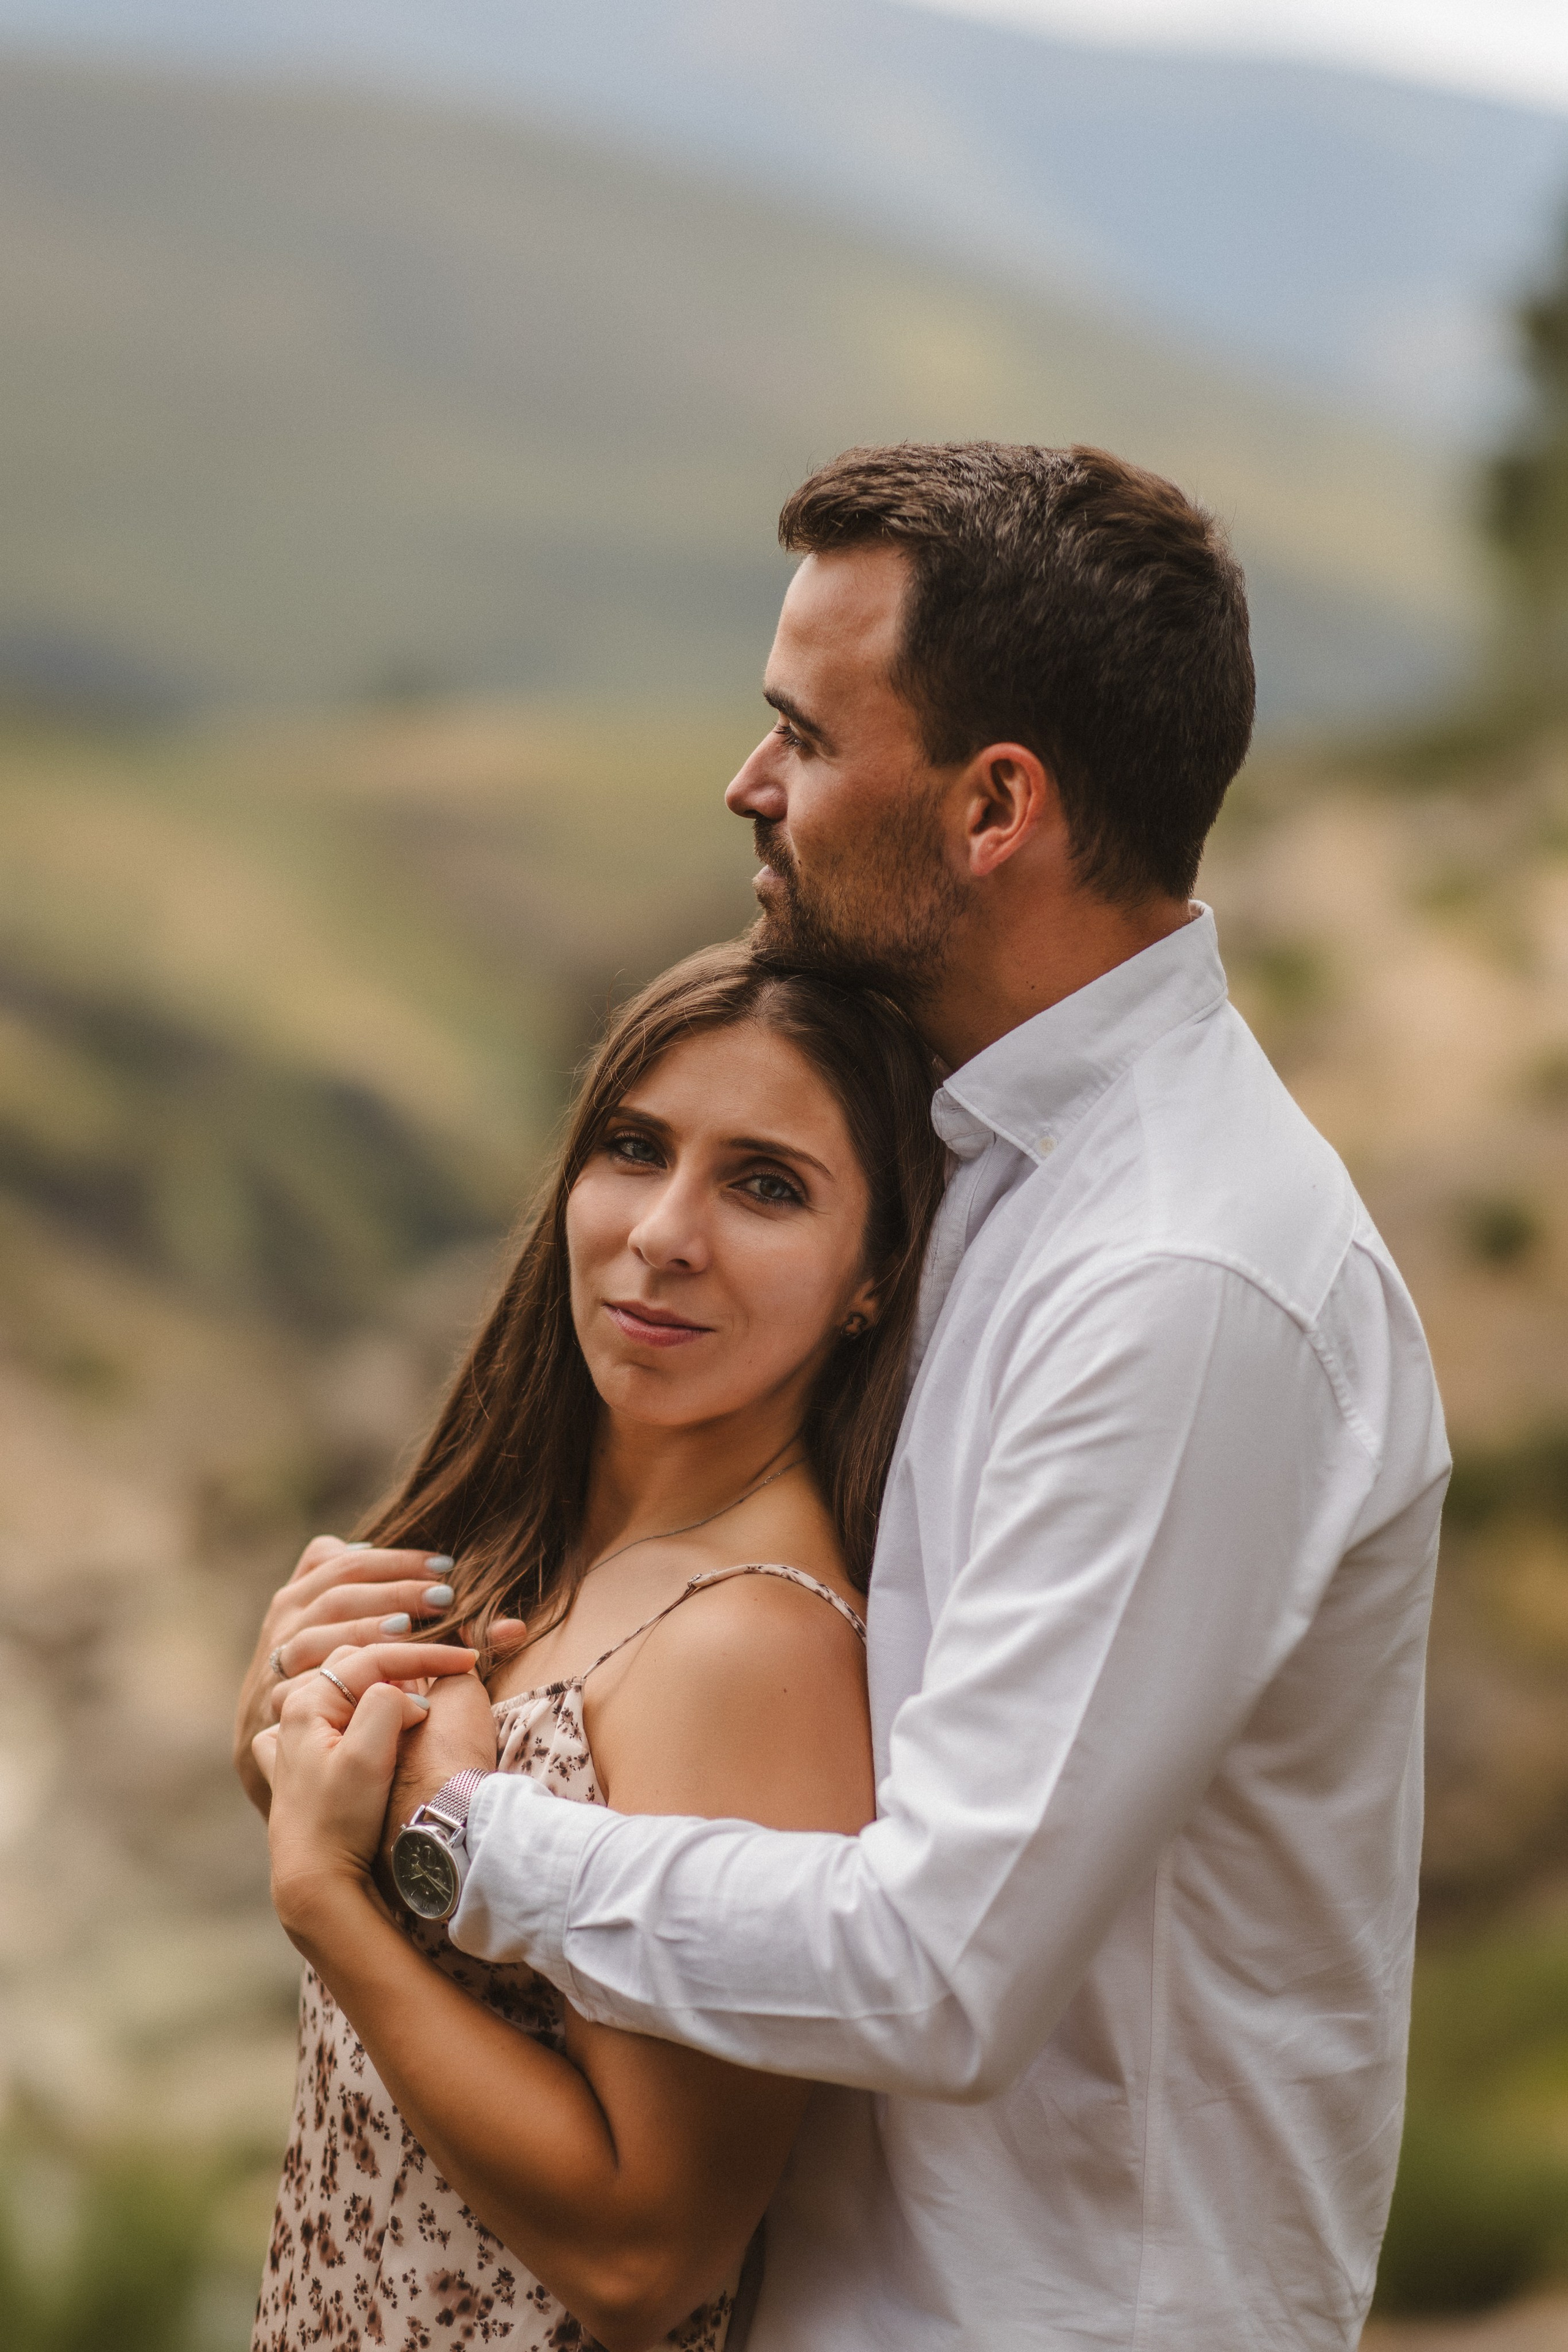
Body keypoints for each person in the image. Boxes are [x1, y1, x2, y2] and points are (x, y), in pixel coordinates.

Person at [337, 442, 1450, 2351]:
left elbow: (943, 1962)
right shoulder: (975, 1163)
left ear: (994, 806)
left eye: (804, 736)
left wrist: (458, 1843)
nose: (746, 785)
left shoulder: (1183, 1279)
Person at [237, 944, 947, 2351]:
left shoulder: (743, 1643)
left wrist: (321, 1892)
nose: (664, 1232)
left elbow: (646, 2256)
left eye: (765, 1185)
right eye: (635, 1148)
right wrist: (275, 1739)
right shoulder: (524, 1543)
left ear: (872, 1278)